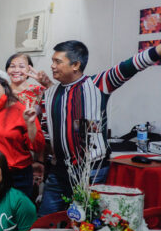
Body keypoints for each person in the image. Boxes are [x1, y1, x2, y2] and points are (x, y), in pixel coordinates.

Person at [37, 40, 161, 216]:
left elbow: (130, 65)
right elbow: (47, 132)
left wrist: (157, 50)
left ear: (76, 65)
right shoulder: (48, 94)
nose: (52, 66)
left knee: (87, 222)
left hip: (92, 172)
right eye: (52, 61)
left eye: (58, 61)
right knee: (45, 220)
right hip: (58, 172)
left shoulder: (98, 84)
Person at [0, 69, 44, 201]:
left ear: (3, 84)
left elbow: (37, 146)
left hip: (18, 176)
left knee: (18, 216)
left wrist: (30, 124)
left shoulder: (23, 109)